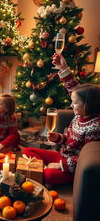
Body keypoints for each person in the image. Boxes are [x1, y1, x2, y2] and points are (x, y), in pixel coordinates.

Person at [22, 53, 100, 187]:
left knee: (48, 175)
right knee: (27, 151)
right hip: (62, 155)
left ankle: (45, 172)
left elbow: (83, 159)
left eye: (74, 103)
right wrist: (59, 138)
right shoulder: (80, 114)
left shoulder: (94, 127)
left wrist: (59, 165)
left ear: (86, 104)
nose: (71, 106)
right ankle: (43, 170)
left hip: (73, 168)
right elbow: (74, 89)